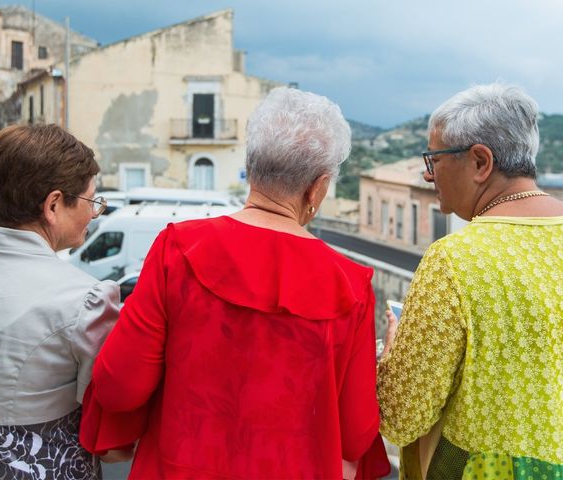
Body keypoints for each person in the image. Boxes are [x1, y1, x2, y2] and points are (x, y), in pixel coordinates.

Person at [80, 87, 391, 479]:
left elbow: (119, 386)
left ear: (251, 164)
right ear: (318, 187)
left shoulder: (177, 248)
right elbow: (356, 435)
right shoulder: (350, 285)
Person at [377, 83, 563, 479]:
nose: (428, 175)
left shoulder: (455, 260)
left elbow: (400, 417)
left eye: (435, 159)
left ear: (480, 162)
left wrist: (393, 358)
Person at [0, 124, 120, 479]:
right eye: (92, 201)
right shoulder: (85, 300)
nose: (95, 213)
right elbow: (108, 433)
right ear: (54, 205)